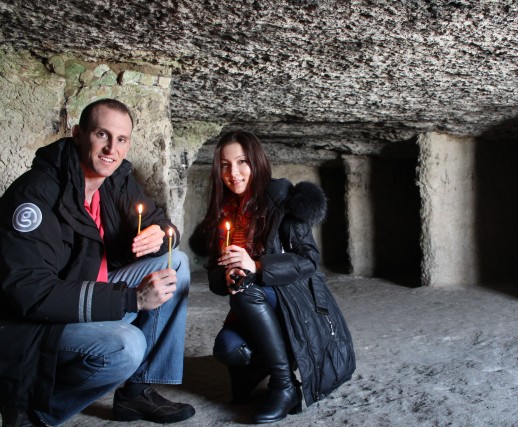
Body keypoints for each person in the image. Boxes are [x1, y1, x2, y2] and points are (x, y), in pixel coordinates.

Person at [0, 99, 195, 426]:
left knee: (177, 263)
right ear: (78, 134)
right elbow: (30, 293)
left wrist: (161, 234)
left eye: (121, 139)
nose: (111, 149)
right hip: (37, 323)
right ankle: (38, 412)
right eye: (102, 135)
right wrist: (131, 299)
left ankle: (137, 393)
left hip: (93, 288)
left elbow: (164, 221)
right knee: (126, 346)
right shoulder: (36, 194)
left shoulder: (117, 180)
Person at [190, 130, 355, 424]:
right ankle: (274, 356)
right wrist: (225, 278)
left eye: (242, 162)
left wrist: (256, 265)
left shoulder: (282, 199)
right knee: (229, 349)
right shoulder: (223, 210)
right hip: (251, 304)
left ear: (257, 162)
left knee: (247, 291)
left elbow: (309, 259)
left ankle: (285, 385)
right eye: (225, 165)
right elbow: (216, 276)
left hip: (293, 301)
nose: (234, 173)